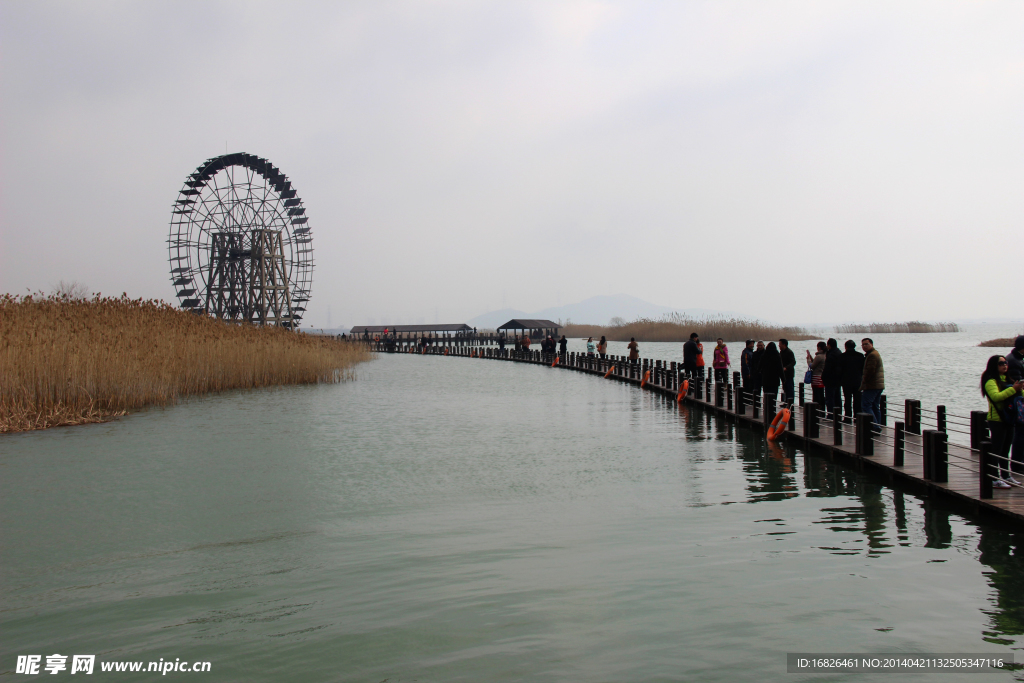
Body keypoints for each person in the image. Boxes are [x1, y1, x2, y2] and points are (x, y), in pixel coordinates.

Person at [982, 355, 1024, 487]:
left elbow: (1017, 397)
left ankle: (1006, 476)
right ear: (994, 365)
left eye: (1005, 362)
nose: (1005, 365)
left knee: (1006, 449)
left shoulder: (1008, 379)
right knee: (996, 449)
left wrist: (1020, 390)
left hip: (1009, 419)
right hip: (996, 420)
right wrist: (1014, 389)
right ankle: (994, 478)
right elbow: (996, 397)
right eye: (1001, 363)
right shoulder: (990, 381)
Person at [860, 338, 884, 432]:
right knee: (875, 406)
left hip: (872, 385)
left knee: (866, 405)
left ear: (871, 344)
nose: (864, 346)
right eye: (863, 345)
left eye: (866, 344)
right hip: (878, 385)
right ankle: (877, 424)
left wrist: (864, 382)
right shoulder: (873, 354)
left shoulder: (872, 355)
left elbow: (870, 371)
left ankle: (875, 427)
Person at [1008, 336, 1024, 472]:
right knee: (1020, 434)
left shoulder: (1016, 359)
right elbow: (1018, 386)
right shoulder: (1014, 362)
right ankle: (1017, 466)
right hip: (1018, 404)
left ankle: (1019, 464)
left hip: (1018, 402)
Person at [840, 340, 864, 423]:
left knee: (847, 400)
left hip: (846, 381)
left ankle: (847, 417)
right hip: (858, 381)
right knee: (857, 400)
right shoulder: (860, 356)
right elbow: (863, 369)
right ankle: (857, 418)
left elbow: (839, 370)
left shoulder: (842, 356)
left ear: (845, 346)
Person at [822, 338, 843, 417]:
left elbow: (827, 368)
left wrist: (823, 377)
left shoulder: (830, 354)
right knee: (837, 397)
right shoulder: (839, 352)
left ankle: (831, 415)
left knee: (830, 398)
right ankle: (839, 414)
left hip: (830, 379)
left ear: (829, 345)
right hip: (838, 379)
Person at [806, 342, 827, 409]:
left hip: (816, 378)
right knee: (821, 395)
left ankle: (816, 410)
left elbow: (812, 366)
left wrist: (808, 360)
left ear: (819, 347)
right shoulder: (825, 355)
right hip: (822, 378)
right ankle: (822, 410)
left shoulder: (819, 356)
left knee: (816, 395)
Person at [779, 339, 796, 405]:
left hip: (789, 374)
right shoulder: (781, 352)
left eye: (780, 344)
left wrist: (786, 368)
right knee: (785, 388)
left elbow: (793, 362)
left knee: (790, 388)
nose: (779, 345)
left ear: (784, 345)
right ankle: (786, 401)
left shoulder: (789, 352)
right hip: (783, 374)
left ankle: (790, 402)